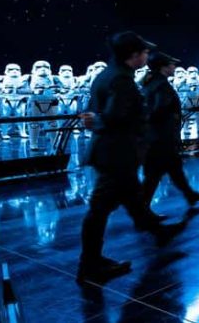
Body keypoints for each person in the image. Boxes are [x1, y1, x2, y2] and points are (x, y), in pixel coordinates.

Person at [77, 31, 179, 283]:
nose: (147, 56)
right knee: (100, 209)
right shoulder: (120, 80)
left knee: (133, 199)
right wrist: (100, 122)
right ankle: (89, 265)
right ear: (133, 55)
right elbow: (116, 118)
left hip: (114, 153)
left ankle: (159, 233)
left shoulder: (107, 75)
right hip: (117, 154)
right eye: (144, 52)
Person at [140, 51, 199, 210]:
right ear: (163, 67)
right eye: (171, 64)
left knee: (174, 168)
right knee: (154, 174)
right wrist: (171, 120)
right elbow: (158, 111)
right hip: (161, 138)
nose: (174, 67)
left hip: (158, 137)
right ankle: (141, 211)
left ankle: (190, 195)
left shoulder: (152, 82)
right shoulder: (161, 85)